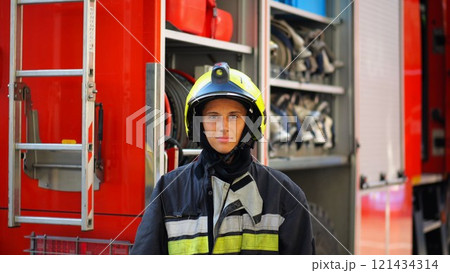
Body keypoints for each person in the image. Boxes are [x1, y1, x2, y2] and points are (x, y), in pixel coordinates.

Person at [131, 62, 315, 254]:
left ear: (251, 124)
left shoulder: (285, 195)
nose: (223, 127)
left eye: (234, 116)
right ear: (198, 125)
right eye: (212, 116)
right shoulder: (168, 191)